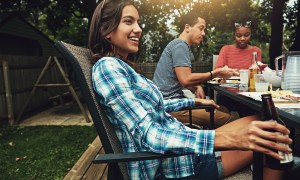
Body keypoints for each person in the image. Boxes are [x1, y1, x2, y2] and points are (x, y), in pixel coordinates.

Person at [88, 0, 292, 179]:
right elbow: (150, 134)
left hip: (180, 145)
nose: (139, 28)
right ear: (106, 30)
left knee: (263, 121)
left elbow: (155, 106)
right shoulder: (108, 68)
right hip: (175, 165)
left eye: (138, 22)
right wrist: (228, 139)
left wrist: (193, 101)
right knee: (272, 136)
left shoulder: (121, 67)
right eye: (129, 21)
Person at [152, 13, 239, 128]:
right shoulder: (180, 45)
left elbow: (179, 77)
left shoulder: (178, 45)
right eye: (201, 28)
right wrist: (215, 73)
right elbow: (186, 79)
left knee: (223, 109)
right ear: (187, 28)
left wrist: (197, 86)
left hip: (171, 103)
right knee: (232, 120)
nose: (203, 33)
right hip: (171, 108)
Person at [215, 21, 262, 117]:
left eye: (246, 35)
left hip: (248, 93)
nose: (242, 39)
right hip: (227, 92)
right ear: (234, 35)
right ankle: (226, 125)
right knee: (222, 103)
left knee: (255, 108)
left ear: (250, 34)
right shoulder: (226, 49)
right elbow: (218, 70)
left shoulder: (256, 51)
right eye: (238, 35)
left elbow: (258, 74)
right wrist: (225, 73)